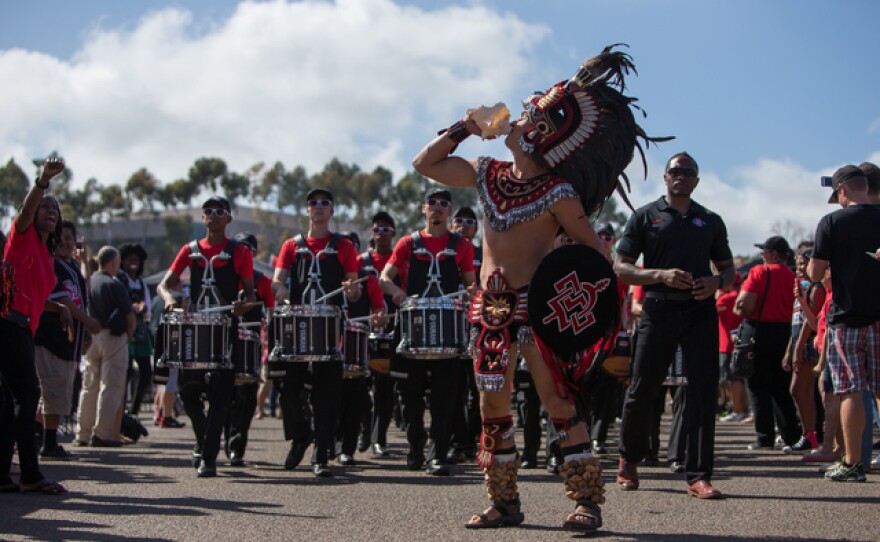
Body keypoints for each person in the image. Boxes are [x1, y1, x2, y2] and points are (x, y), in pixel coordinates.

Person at [413, 46, 662, 531]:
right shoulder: (487, 174)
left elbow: (597, 257)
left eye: (528, 117)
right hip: (489, 311)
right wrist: (466, 127)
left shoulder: (558, 193)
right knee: (492, 407)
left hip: (538, 311)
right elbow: (425, 163)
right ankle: (504, 503)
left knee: (558, 403)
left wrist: (588, 306)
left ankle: (587, 501)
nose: (519, 118)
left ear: (542, 136)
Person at [615, 151, 735, 500]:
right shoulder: (645, 217)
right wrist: (659, 275)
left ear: (696, 181)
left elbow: (728, 271)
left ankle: (698, 475)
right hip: (657, 309)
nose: (680, 176)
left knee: (701, 391)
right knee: (642, 389)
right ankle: (629, 458)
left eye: (688, 172)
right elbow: (621, 267)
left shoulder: (710, 220)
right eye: (674, 171)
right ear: (665, 178)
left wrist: (717, 282)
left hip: (700, 311)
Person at [379, 187, 476, 476]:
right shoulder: (408, 243)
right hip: (413, 331)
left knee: (445, 399)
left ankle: (438, 455)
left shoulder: (462, 246)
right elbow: (385, 277)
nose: (437, 207)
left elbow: (470, 285)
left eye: (444, 204)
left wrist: (469, 295)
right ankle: (415, 446)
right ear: (424, 209)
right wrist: (397, 293)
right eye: (432, 202)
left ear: (449, 211)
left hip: (448, 333)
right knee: (410, 397)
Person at [157, 196, 255, 477]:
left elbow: (249, 296)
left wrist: (242, 304)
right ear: (203, 218)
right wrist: (168, 299)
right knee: (189, 395)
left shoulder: (239, 252)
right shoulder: (189, 250)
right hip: (195, 330)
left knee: (221, 396)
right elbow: (164, 285)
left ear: (228, 219)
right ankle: (204, 441)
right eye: (208, 211)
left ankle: (208, 458)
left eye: (219, 211)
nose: (212, 215)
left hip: (226, 330)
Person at [271, 187, 362, 478]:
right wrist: (280, 288)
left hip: (328, 330)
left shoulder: (344, 246)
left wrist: (352, 289)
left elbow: (356, 290)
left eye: (325, 202)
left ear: (331, 210)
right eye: (313, 203)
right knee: (290, 393)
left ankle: (320, 455)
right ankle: (301, 436)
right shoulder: (291, 246)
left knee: (327, 397)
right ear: (307, 210)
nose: (319, 207)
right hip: (297, 330)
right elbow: (277, 281)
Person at [0, 157, 69, 494]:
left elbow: (36, 297)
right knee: (28, 396)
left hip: (20, 328)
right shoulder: (23, 236)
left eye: (54, 208)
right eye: (44, 207)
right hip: (7, 324)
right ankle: (29, 475)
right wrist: (42, 182)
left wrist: (61, 308)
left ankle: (3, 475)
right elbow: (26, 212)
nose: (49, 210)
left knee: (7, 402)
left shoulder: (46, 255)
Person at [808, 165, 880, 482]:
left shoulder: (832, 221)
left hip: (847, 318)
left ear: (841, 191)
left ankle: (853, 463)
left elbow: (814, 273)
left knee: (851, 390)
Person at [33, 220, 101, 459]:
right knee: (51, 392)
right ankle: (47, 443)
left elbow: (83, 292)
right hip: (51, 337)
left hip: (67, 341)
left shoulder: (70, 266)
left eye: (69, 238)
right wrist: (89, 322)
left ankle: (42, 437)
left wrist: (84, 262)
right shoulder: (53, 264)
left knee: (56, 393)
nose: (64, 242)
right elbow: (66, 304)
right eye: (60, 237)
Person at [734, 236, 802, 451]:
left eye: (764, 252)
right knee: (781, 387)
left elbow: (744, 304)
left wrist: (738, 308)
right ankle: (791, 435)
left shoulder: (760, 273)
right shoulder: (793, 276)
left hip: (759, 331)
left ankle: (765, 437)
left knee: (757, 386)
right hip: (785, 333)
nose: (762, 256)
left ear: (772, 254)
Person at [75, 246, 136, 447]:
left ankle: (82, 434)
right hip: (113, 338)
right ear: (112, 263)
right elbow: (130, 318)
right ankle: (102, 433)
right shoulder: (114, 284)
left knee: (89, 387)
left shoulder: (89, 282)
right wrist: (127, 336)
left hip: (92, 337)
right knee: (110, 387)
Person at [336, 231, 386, 466]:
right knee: (326, 399)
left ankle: (347, 448)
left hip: (355, 349)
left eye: (351, 247)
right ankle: (328, 443)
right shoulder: (327, 274)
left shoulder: (368, 278)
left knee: (354, 399)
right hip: (327, 347)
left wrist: (378, 318)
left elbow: (379, 310)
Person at [224, 232, 273, 467]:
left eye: (247, 248)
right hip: (224, 345)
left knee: (245, 399)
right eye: (239, 247)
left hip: (250, 349)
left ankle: (236, 447)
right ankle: (219, 440)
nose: (243, 252)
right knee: (222, 397)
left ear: (254, 253)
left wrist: (268, 321)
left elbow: (273, 309)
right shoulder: (224, 277)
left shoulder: (262, 281)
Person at [359, 211, 398, 457]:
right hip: (362, 333)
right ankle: (363, 433)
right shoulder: (360, 261)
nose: (381, 233)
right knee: (360, 387)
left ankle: (378, 438)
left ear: (393, 233)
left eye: (386, 229)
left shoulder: (399, 260)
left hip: (391, 333)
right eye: (377, 229)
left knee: (385, 389)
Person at [782, 244, 826, 453]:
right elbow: (796, 321)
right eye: (797, 264)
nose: (799, 268)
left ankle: (813, 435)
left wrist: (798, 348)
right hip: (799, 341)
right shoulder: (801, 286)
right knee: (800, 390)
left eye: (803, 263)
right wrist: (790, 349)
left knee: (803, 389)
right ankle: (810, 434)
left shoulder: (816, 288)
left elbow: (811, 322)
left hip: (810, 344)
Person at [447, 206, 483, 462]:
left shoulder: (484, 253)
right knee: (453, 387)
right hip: (450, 324)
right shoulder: (445, 253)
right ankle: (457, 442)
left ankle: (474, 440)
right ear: (451, 225)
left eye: (470, 220)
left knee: (478, 387)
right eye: (459, 219)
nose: (464, 224)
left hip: (479, 325)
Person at [118, 243, 159, 421]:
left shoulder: (141, 283)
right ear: (123, 262)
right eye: (129, 259)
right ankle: (119, 411)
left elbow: (148, 309)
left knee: (145, 373)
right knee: (124, 372)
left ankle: (134, 411)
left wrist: (142, 309)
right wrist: (132, 307)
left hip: (141, 332)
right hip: (125, 331)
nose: (133, 262)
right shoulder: (120, 281)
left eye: (136, 259)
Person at [717, 273, 749, 422]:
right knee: (742, 380)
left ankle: (737, 410)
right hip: (744, 343)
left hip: (727, 345)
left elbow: (711, 313)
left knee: (732, 380)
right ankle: (744, 409)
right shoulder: (744, 297)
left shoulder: (725, 299)